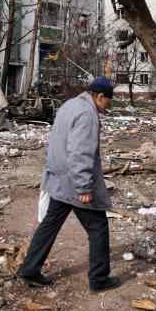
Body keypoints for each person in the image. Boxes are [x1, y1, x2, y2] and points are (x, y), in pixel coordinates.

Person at [16, 77, 121, 293]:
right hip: (74, 183)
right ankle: (99, 279)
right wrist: (84, 187)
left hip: (59, 178)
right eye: (107, 101)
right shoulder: (87, 114)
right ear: (100, 96)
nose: (107, 107)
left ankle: (29, 269)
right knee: (98, 227)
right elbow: (80, 153)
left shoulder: (70, 105)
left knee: (49, 225)